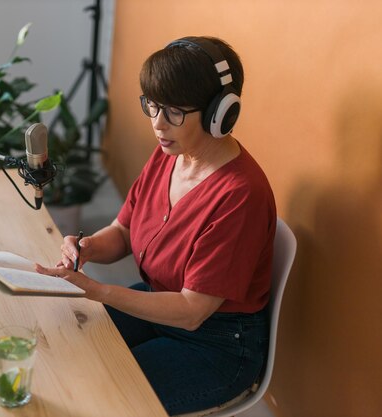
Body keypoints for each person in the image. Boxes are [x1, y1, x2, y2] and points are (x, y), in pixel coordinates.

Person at [35, 36, 276, 415]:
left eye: (175, 112)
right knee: (62, 347)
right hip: (156, 299)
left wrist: (100, 291)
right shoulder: (172, 152)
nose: (158, 124)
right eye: (152, 106)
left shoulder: (239, 195)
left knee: (97, 395)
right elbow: (125, 231)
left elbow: (192, 311)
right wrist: (88, 247)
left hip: (215, 343)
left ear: (220, 114)